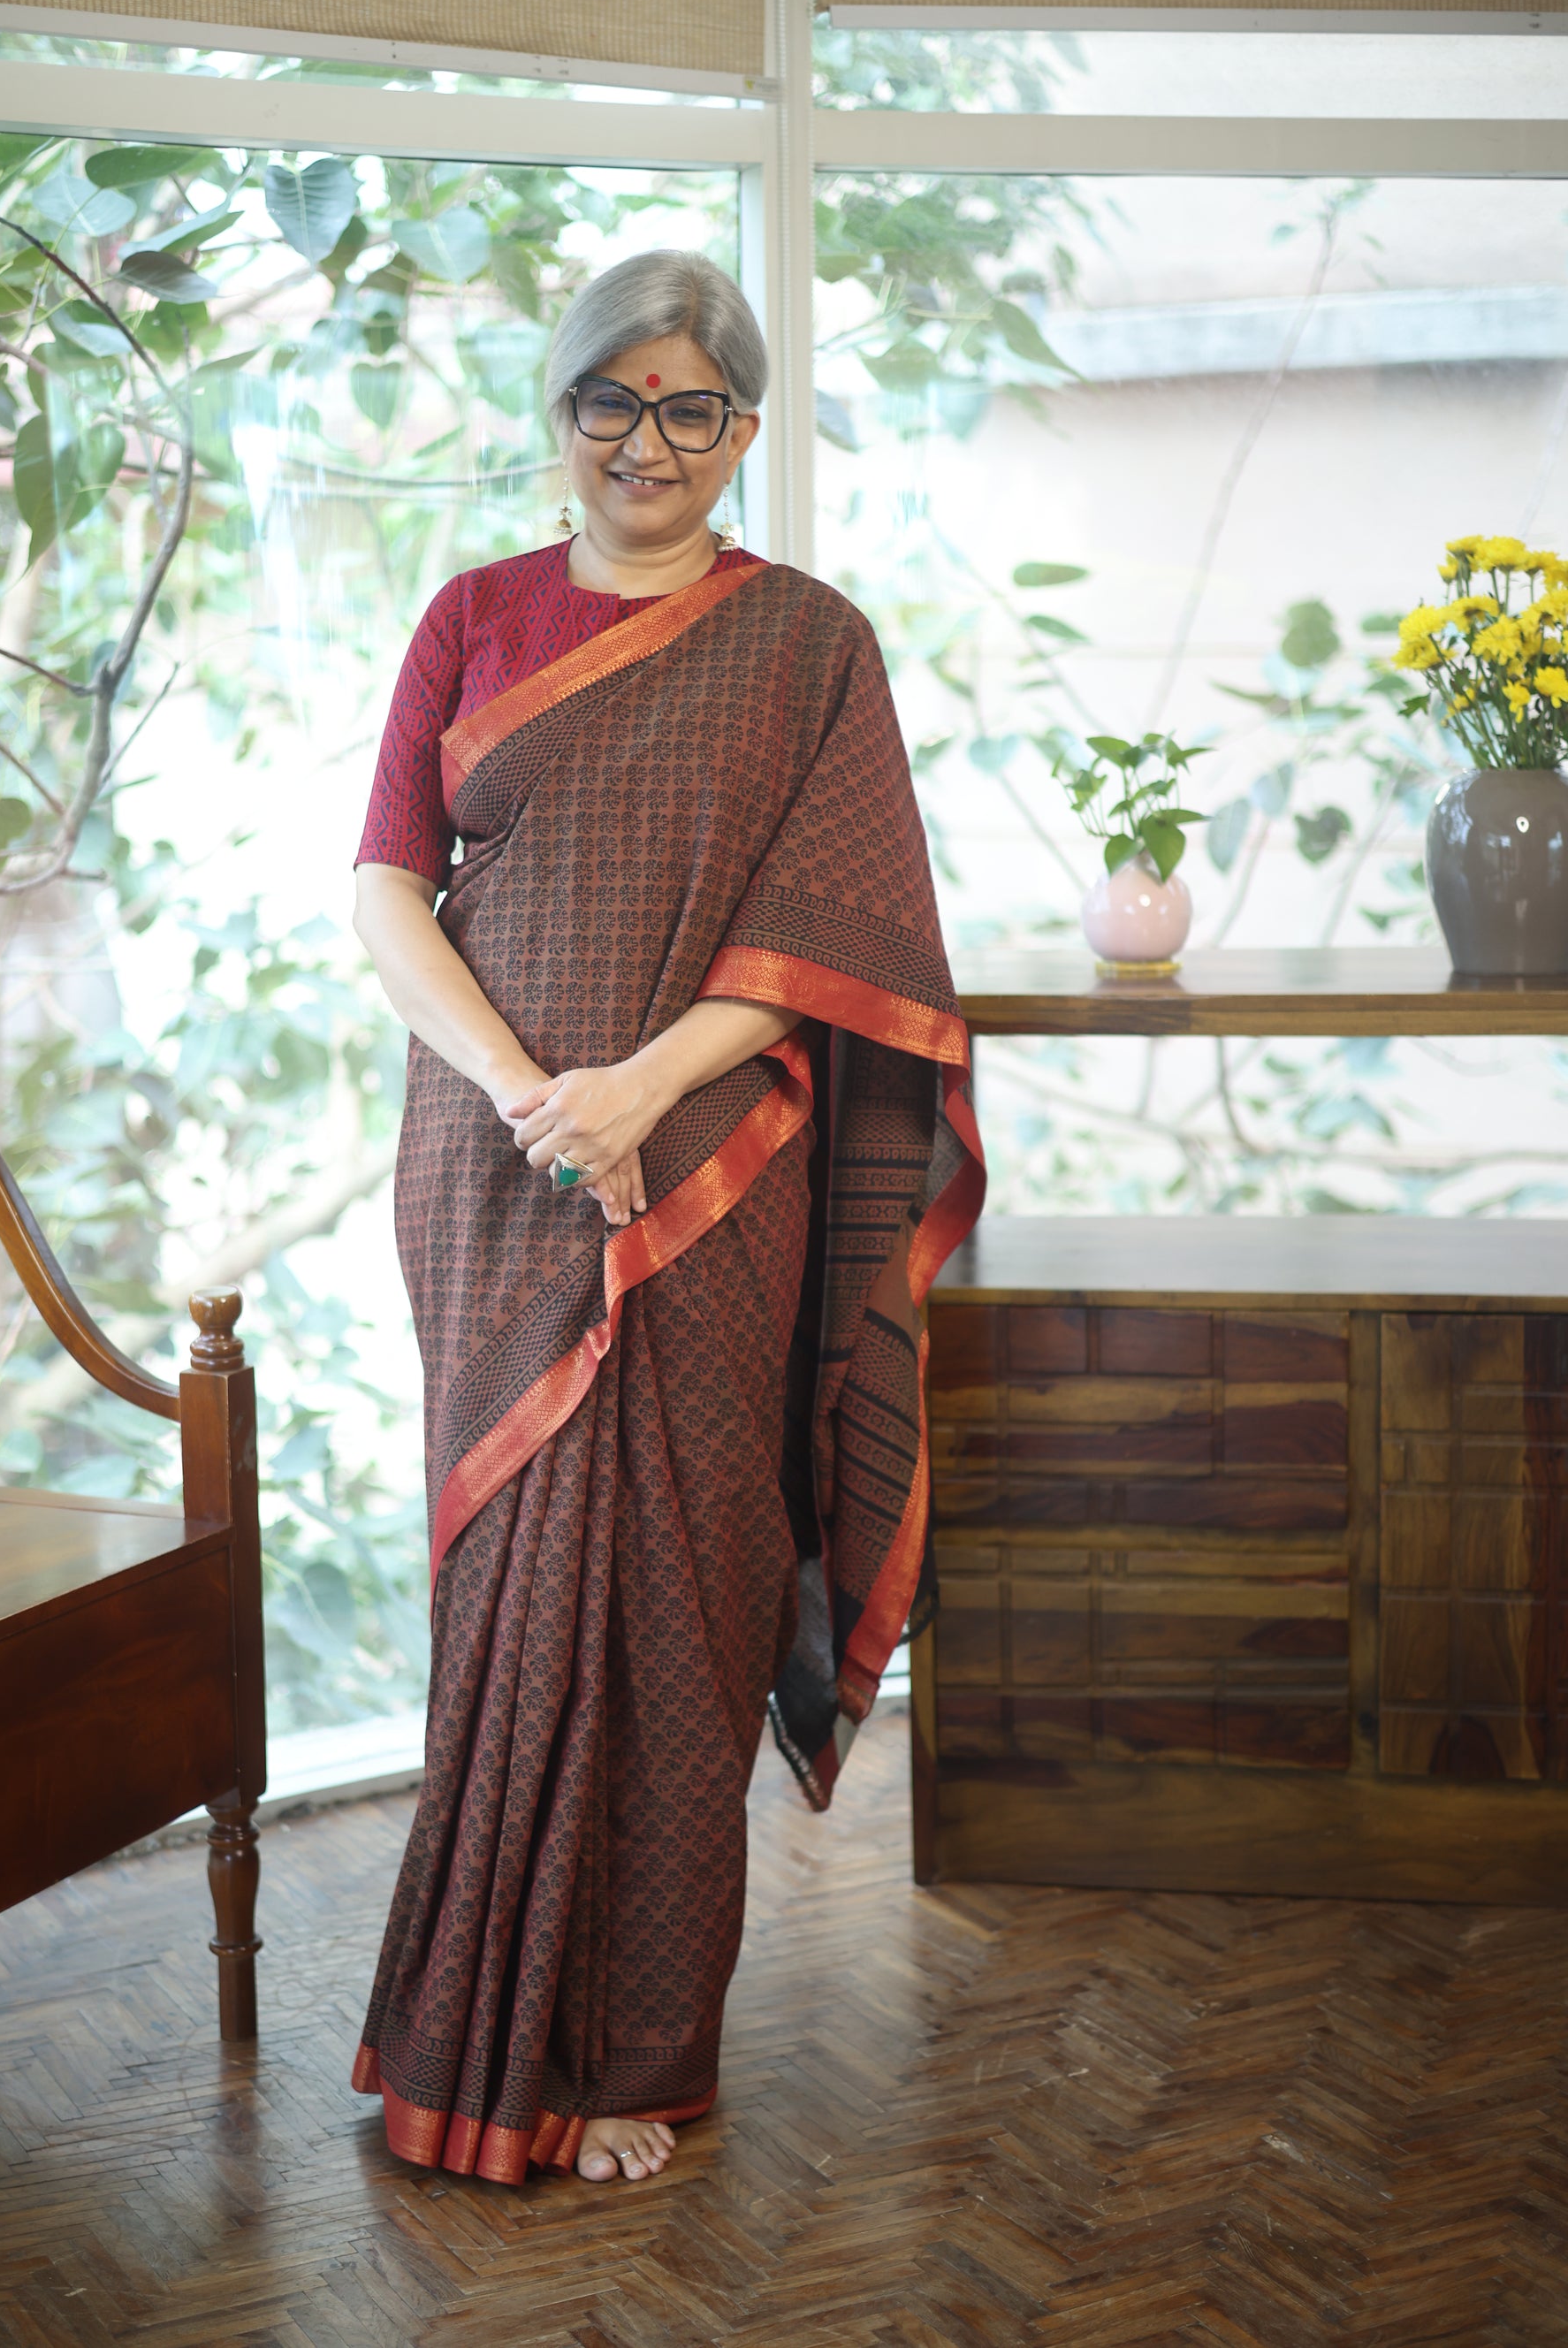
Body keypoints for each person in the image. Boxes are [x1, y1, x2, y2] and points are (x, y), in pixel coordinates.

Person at [350, 249, 984, 2188]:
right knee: (508, 1583)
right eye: (613, 402)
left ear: (746, 426)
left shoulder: (809, 643)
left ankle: (628, 2048)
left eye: (692, 406)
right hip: (493, 1161)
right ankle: (464, 2037)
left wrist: (635, 1090)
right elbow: (385, 890)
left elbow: (843, 930)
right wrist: (528, 1093)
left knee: (686, 1584)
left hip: (710, 1168)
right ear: (562, 414)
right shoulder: (472, 614)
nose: (650, 442)